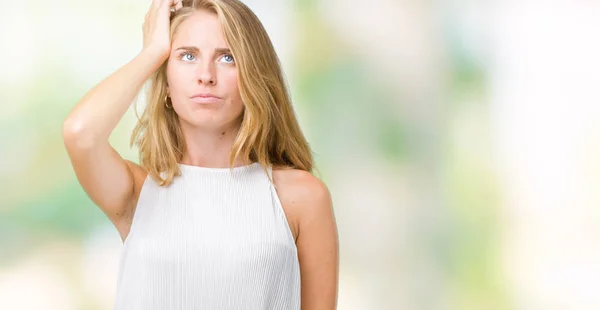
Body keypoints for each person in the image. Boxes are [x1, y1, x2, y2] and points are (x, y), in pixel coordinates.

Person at [62, 0, 339, 309]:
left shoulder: (302, 198)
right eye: (188, 55)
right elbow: (80, 133)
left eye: (227, 57)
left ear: (253, 75)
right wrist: (151, 52)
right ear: (166, 79)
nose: (206, 75)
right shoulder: (137, 192)